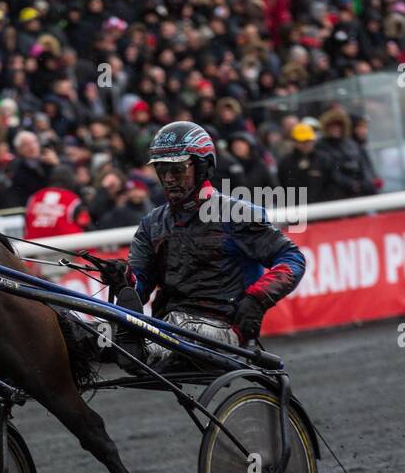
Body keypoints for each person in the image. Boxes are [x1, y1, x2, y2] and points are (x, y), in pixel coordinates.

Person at [90, 122, 306, 369]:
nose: (169, 179)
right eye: (162, 170)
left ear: (203, 167)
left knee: (136, 342)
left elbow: (292, 259)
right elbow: (140, 286)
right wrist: (124, 279)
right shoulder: (152, 224)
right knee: (83, 338)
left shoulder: (235, 214)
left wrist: (257, 300)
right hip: (168, 325)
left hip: (222, 332)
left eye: (178, 170)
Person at [24, 165, 90, 239]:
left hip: (33, 245)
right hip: (66, 245)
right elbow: (85, 224)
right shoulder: (73, 199)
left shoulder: (35, 197)